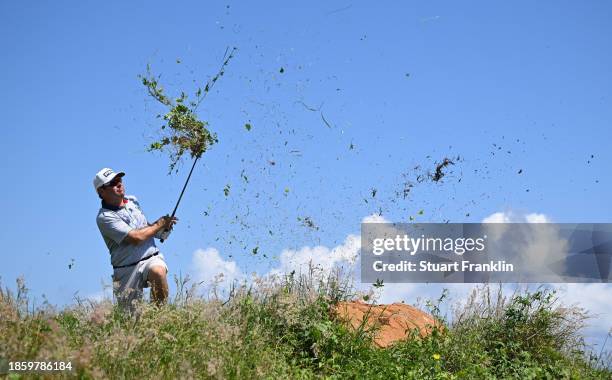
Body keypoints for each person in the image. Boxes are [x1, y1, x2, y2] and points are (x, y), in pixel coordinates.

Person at [93, 168, 177, 312]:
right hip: (126, 269)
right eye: (113, 183)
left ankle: (159, 318)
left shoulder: (133, 201)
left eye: (119, 180)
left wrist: (162, 228)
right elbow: (136, 237)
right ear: (101, 192)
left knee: (158, 272)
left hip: (151, 257)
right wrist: (159, 225)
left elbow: (144, 228)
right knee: (131, 321)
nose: (119, 184)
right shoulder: (104, 217)